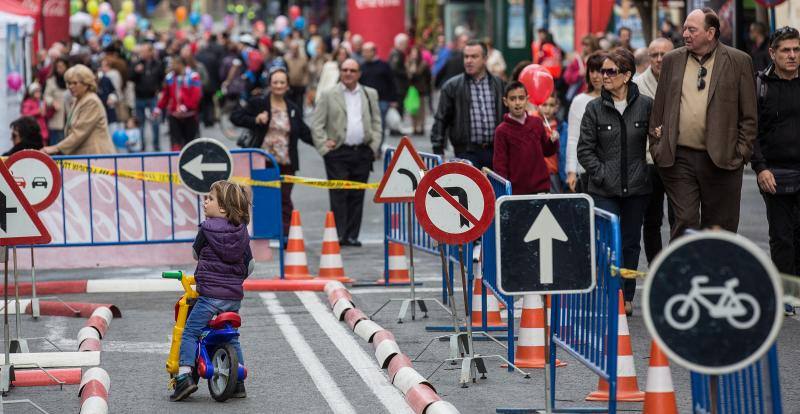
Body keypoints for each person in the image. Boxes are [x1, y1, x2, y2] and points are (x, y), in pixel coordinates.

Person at [649, 8, 758, 239]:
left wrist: (741, 153)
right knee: (685, 221)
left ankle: (716, 273)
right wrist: (657, 146)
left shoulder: (739, 61)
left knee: (720, 229)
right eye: (685, 28)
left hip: (723, 159)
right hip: (679, 158)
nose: (685, 33)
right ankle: (680, 272)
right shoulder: (672, 60)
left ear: (710, 32)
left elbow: (749, 115)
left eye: (692, 29)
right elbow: (659, 108)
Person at [578, 48, 652, 316]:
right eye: (602, 71)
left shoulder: (645, 105)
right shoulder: (594, 108)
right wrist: (601, 174)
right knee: (607, 241)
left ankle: (626, 295)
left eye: (611, 71)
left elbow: (655, 142)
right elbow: (584, 150)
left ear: (627, 75)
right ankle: (608, 293)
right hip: (603, 189)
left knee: (631, 243)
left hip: (636, 188)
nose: (603, 76)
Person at [171, 180, 254, 402]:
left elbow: (195, 254)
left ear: (223, 208)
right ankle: (237, 383)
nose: (204, 201)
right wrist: (234, 280)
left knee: (190, 332)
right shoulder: (242, 232)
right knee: (231, 336)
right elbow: (249, 265)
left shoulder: (206, 229)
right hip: (233, 299)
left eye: (209, 198)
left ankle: (184, 377)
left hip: (209, 298)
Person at [231, 67, 313, 237]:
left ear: (287, 86)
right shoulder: (259, 103)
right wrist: (255, 119)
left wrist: (324, 144)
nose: (278, 85)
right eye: (275, 82)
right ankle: (264, 236)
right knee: (263, 199)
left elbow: (304, 132)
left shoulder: (292, 108)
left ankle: (286, 236)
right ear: (270, 84)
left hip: (287, 163)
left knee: (285, 200)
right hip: (264, 161)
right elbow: (236, 116)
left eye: (282, 82)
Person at [311, 58, 381, 247]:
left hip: (362, 152)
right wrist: (324, 149)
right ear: (340, 72)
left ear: (359, 73)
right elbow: (317, 124)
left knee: (357, 195)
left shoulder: (369, 94)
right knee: (339, 194)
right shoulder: (328, 94)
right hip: (337, 153)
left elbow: (376, 122)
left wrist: (374, 146)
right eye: (345, 70)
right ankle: (340, 234)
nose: (348, 73)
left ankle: (352, 235)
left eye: (352, 70)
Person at [751, 27, 800, 290]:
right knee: (782, 236)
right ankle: (788, 292)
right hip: (774, 172)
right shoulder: (760, 86)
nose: (792, 55)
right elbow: (751, 132)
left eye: (796, 49)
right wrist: (760, 168)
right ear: (772, 53)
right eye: (786, 50)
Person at [431, 40, 505, 170]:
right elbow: (441, 119)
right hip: (466, 153)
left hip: (496, 151)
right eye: (466, 56)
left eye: (474, 57)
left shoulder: (499, 85)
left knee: (497, 189)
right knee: (472, 190)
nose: (468, 61)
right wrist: (438, 150)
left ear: (485, 59)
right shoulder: (452, 86)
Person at [634, 38, 674, 263]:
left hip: (678, 158)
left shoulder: (681, 79)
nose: (659, 59)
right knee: (652, 219)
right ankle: (656, 265)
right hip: (649, 161)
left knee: (681, 218)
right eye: (655, 55)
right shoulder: (638, 85)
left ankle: (678, 266)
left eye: (664, 54)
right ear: (649, 58)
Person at [493, 81, 558, 194]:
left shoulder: (537, 123)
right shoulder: (501, 130)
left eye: (521, 98)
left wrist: (552, 141)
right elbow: (500, 165)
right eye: (512, 99)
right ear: (505, 101)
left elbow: (547, 151)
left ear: (527, 99)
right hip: (517, 192)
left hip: (541, 188)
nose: (517, 103)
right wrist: (504, 191)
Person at [41, 64, 115, 155]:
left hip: (96, 156)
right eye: (68, 83)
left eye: (75, 83)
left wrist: (56, 148)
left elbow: (79, 132)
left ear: (86, 84)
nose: (70, 87)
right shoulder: (78, 100)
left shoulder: (91, 101)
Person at [566, 52, 605, 193]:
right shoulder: (579, 101)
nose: (595, 76)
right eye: (592, 71)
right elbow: (573, 138)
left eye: (599, 71)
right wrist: (571, 171)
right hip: (586, 171)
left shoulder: (619, 100)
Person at [154, 57, 202, 151]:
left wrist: (187, 106)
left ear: (181, 65)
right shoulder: (170, 77)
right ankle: (175, 162)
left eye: (174, 64)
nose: (172, 66)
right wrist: (159, 108)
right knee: (175, 143)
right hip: (174, 115)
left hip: (190, 115)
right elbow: (166, 95)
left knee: (190, 143)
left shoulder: (193, 77)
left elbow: (196, 95)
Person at [359, 42, 398, 143]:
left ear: (373, 52)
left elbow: (392, 82)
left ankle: (378, 147)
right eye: (363, 51)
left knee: (380, 125)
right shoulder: (361, 67)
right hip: (365, 101)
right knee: (366, 125)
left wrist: (393, 99)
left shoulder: (384, 65)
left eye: (367, 51)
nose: (364, 54)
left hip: (382, 100)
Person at [130, 44, 165, 151]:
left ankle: (156, 145)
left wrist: (159, 90)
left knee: (155, 123)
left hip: (152, 97)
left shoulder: (157, 64)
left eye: (145, 51)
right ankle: (141, 146)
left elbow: (161, 78)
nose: (142, 54)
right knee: (140, 124)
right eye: (141, 51)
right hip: (139, 97)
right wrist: (136, 72)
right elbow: (130, 77)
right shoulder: (136, 63)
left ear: (150, 52)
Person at [538, 93, 566, 193]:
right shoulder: (535, 124)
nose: (547, 109)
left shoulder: (562, 127)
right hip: (538, 173)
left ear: (556, 107)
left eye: (551, 105)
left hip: (555, 172)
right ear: (538, 105)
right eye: (544, 105)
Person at [564, 35, 601, 101]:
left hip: (597, 94)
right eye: (583, 45)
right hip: (581, 94)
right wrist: (578, 74)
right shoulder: (578, 60)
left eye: (587, 45)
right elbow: (567, 76)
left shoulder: (600, 59)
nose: (584, 47)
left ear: (593, 46)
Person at [405, 45, 432, 135]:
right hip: (411, 90)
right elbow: (408, 77)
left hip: (421, 90)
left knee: (421, 110)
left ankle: (421, 126)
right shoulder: (408, 63)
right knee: (412, 109)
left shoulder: (423, 64)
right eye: (412, 53)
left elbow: (427, 76)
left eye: (415, 53)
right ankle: (414, 126)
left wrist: (428, 88)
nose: (414, 55)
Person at [44, 57, 70, 146]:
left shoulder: (71, 81)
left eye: (62, 66)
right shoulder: (51, 81)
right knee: (56, 144)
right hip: (57, 117)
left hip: (69, 116)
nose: (60, 69)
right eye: (58, 66)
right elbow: (46, 96)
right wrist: (52, 102)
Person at [284, 40, 310, 112]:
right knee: (290, 105)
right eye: (292, 48)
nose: (294, 50)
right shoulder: (286, 58)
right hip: (290, 86)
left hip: (300, 86)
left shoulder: (303, 58)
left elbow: (306, 71)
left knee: (299, 106)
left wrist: (305, 82)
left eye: (295, 48)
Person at [388, 33, 410, 117]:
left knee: (400, 109)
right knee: (399, 109)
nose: (406, 45)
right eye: (405, 43)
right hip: (398, 86)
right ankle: (396, 128)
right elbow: (394, 68)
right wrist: (406, 72)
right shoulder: (397, 54)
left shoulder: (397, 53)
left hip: (399, 86)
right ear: (400, 43)